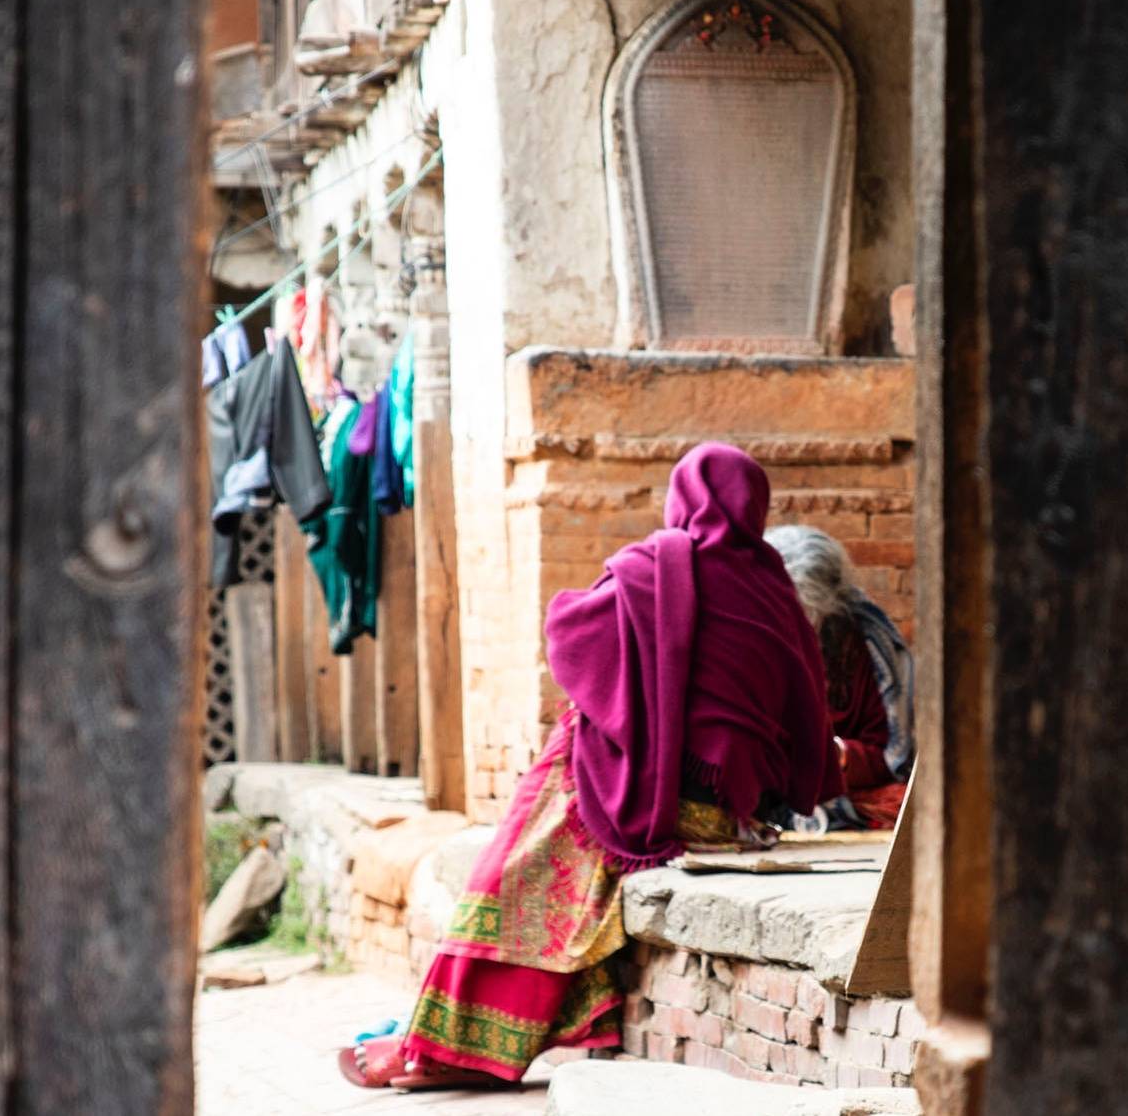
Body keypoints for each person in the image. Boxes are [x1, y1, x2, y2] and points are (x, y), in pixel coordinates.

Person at [343, 442, 837, 1093]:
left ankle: (451, 1042)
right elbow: (808, 721)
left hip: (649, 807)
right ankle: (561, 1027)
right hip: (726, 819)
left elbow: (570, 633)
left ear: (681, 497)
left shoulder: (654, 566)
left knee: (529, 839)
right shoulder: (775, 585)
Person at [767, 525, 915, 831]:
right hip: (776, 785)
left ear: (830, 604)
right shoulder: (760, 637)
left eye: (803, 611)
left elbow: (890, 755)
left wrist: (841, 755)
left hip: (847, 786)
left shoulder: (867, 642)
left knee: (908, 807)